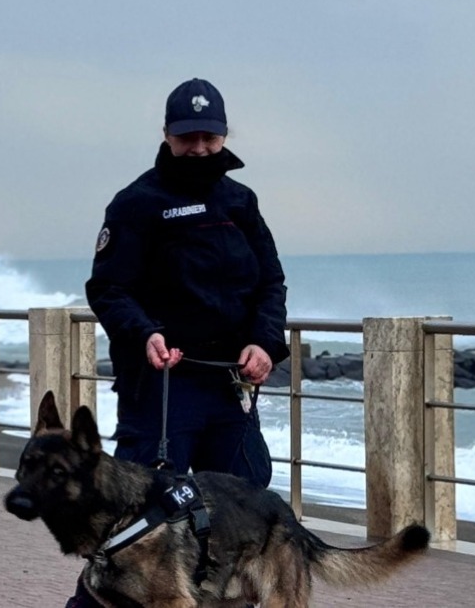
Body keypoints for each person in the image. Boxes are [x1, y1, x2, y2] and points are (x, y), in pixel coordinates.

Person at [65, 78, 289, 607]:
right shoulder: (136, 203)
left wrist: (264, 343)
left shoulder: (240, 200)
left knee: (245, 511)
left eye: (209, 137)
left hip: (228, 384)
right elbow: (108, 288)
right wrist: (146, 333)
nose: (199, 148)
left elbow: (270, 283)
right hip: (163, 385)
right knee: (136, 519)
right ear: (167, 134)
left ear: (224, 134)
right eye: (187, 137)